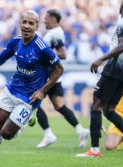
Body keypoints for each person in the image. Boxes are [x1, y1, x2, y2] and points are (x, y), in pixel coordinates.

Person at [0, 10, 64, 167]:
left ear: (37, 26)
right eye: (24, 22)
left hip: (29, 97)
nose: (26, 26)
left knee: (6, 134)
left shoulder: (42, 47)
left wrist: (42, 91)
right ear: (20, 23)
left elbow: (59, 69)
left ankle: (29, 116)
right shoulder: (15, 42)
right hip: (12, 89)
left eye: (31, 23)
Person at [76, 0, 123, 157]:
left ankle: (94, 150)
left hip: (114, 70)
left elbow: (122, 45)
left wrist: (100, 59)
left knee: (96, 106)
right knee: (108, 109)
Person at [34, 9, 89, 149]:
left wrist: (45, 56)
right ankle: (81, 131)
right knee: (59, 105)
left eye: (46, 18)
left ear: (52, 19)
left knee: (33, 102)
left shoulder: (55, 34)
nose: (44, 21)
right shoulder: (55, 33)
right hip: (54, 76)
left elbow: (62, 54)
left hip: (48, 76)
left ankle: (48, 134)